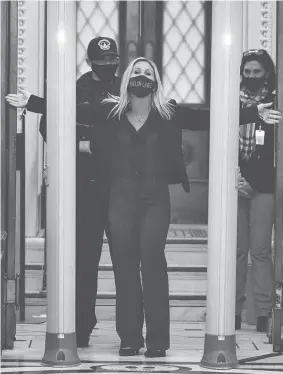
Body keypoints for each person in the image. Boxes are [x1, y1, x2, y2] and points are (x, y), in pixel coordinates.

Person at [76, 57, 281, 357]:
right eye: (137, 72)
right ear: (127, 78)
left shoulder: (168, 111)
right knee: (124, 266)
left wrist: (254, 112)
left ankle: (158, 339)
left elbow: (211, 117)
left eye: (148, 73)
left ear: (156, 80)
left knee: (153, 261)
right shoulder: (110, 110)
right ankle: (130, 337)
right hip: (119, 198)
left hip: (154, 199)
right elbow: (68, 110)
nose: (142, 77)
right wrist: (29, 101)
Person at [6, 36, 121, 347]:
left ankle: (130, 333)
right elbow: (50, 129)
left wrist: (91, 142)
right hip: (85, 189)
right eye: (102, 62)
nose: (108, 67)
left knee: (126, 261)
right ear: (89, 62)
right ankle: (81, 325)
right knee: (85, 260)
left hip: (121, 187)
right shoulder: (75, 89)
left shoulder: (128, 89)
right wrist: (78, 143)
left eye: (113, 62)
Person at [235, 49, 279, 332]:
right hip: (235, 183)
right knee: (236, 250)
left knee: (260, 249)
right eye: (247, 72)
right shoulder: (232, 102)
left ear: (267, 74)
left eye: (256, 72)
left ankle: (264, 312)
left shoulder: (275, 102)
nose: (251, 77)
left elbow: (274, 150)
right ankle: (232, 310)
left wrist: (254, 183)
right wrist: (237, 179)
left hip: (264, 186)